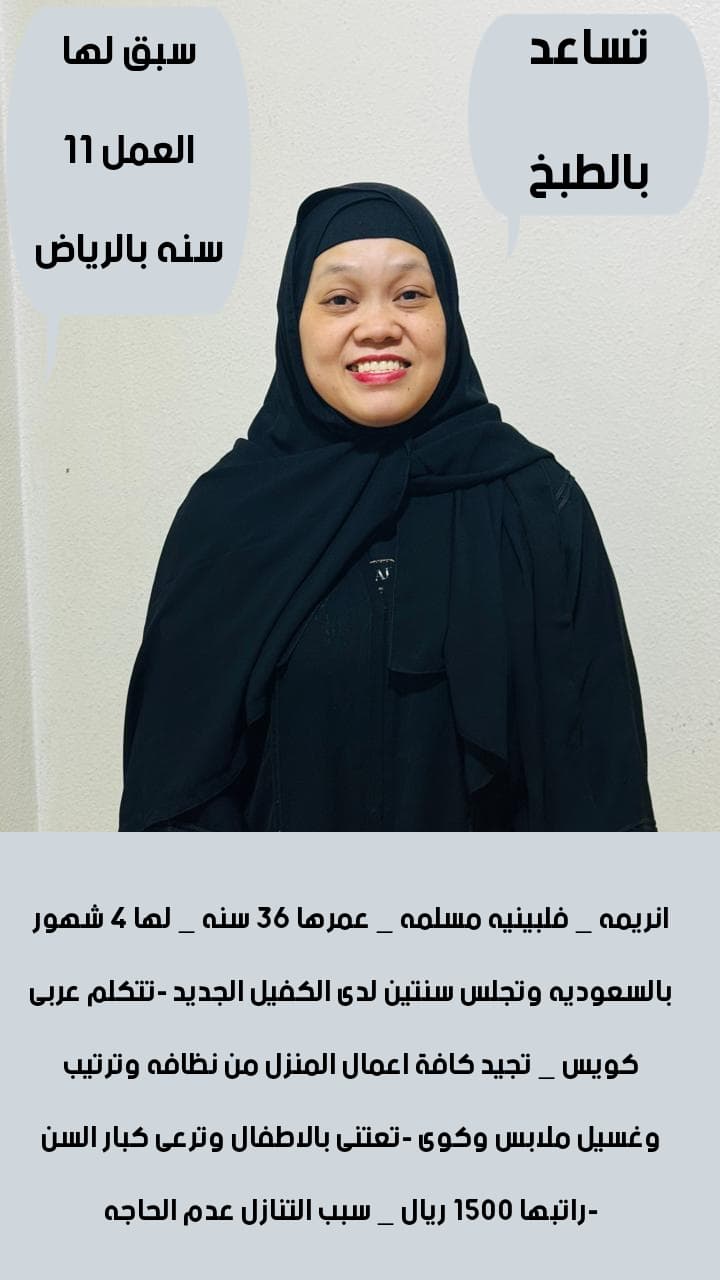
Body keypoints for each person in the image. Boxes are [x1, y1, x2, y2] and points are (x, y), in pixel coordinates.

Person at [120, 182, 655, 832]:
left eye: (409, 295)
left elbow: (602, 779)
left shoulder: (538, 504)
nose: (377, 326)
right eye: (340, 299)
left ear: (448, 314)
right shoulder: (226, 521)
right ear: (294, 322)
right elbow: (174, 793)